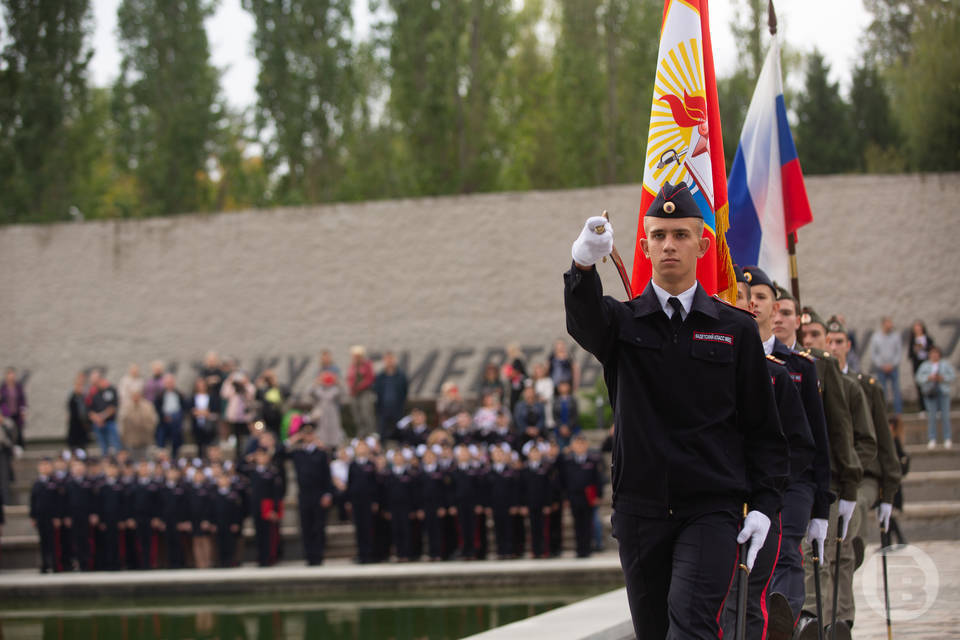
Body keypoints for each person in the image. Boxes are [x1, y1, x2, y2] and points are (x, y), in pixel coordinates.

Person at [564, 182, 788, 638]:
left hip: (710, 509)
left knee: (690, 627)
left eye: (681, 235)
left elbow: (763, 427)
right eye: (660, 234)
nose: (670, 244)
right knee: (654, 631)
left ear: (703, 244)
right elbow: (583, 319)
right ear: (645, 244)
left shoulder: (734, 330)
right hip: (641, 511)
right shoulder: (622, 324)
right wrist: (583, 264)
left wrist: (764, 504)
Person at [722, 266, 817, 639]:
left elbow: (803, 445)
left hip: (765, 502)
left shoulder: (777, 375)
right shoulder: (705, 369)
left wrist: (771, 488)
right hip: (716, 500)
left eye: (743, 301)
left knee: (752, 601)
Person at [802, 309, 879, 636]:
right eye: (809, 338)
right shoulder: (792, 373)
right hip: (805, 480)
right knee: (813, 555)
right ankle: (814, 620)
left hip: (841, 480)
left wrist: (849, 471)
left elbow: (867, 442)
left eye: (820, 338)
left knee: (836, 553)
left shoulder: (852, 386)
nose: (816, 344)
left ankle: (835, 620)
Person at [826, 316, 903, 628]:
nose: (833, 347)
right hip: (830, 476)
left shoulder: (865, 386)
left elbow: (883, 440)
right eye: (828, 342)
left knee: (852, 508)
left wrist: (890, 490)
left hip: (865, 476)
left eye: (838, 342)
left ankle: (852, 547)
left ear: (849, 346)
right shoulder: (816, 377)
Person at [289, 424, 334, 565]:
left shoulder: (321, 453)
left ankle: (318, 556)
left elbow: (328, 475)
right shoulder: (297, 453)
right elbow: (278, 452)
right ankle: (309, 557)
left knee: (319, 527)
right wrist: (294, 439)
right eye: (305, 434)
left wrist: (328, 494)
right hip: (304, 494)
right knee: (306, 526)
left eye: (310, 434)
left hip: (319, 494)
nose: (308, 436)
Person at [560, 434, 602, 559]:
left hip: (588, 496)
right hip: (574, 496)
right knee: (577, 524)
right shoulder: (567, 461)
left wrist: (598, 495)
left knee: (588, 523)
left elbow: (597, 479)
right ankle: (580, 549)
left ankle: (587, 549)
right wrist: (565, 498)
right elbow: (564, 481)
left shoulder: (592, 460)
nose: (579, 446)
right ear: (572, 446)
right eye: (577, 444)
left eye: (582, 443)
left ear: (586, 445)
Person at [916, 345, 954, 448]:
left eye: (936, 353)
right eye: (932, 353)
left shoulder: (945, 364)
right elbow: (918, 378)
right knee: (931, 416)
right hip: (930, 393)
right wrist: (928, 378)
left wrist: (943, 378)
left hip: (943, 392)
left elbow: (953, 376)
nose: (934, 355)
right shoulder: (925, 365)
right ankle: (932, 438)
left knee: (945, 416)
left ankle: (947, 438)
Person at [868, 317, 903, 415]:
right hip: (881, 369)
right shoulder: (876, 337)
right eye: (888, 323)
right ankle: (884, 412)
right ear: (883, 324)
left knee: (896, 390)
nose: (890, 325)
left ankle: (898, 412)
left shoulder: (896, 336)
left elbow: (898, 352)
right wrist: (881, 365)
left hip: (893, 368)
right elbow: (873, 354)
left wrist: (893, 364)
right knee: (882, 391)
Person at [373, 352, 409, 442]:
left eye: (391, 359)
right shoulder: (380, 376)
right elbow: (376, 390)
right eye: (387, 359)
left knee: (400, 429)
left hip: (397, 407)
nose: (389, 361)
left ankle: (400, 447)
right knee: (382, 430)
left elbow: (404, 390)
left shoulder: (401, 375)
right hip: (383, 408)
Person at [308, 371, 345, 448]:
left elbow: (343, 393)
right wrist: (316, 382)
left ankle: (334, 446)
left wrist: (338, 382)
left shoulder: (335, 389)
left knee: (334, 431)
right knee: (321, 432)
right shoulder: (318, 389)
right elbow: (309, 392)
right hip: (321, 414)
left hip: (332, 413)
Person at [88, 371, 121, 456]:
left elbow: (113, 407)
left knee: (115, 445)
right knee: (103, 447)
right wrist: (96, 418)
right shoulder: (92, 392)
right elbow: (89, 409)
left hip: (110, 422)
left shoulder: (111, 390)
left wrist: (101, 417)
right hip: (98, 424)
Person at [120, 388, 158, 460]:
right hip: (131, 439)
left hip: (145, 438)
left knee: (146, 459)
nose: (135, 397)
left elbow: (153, 420)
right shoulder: (127, 406)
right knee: (133, 459)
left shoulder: (147, 406)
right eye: (134, 395)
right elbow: (123, 421)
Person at [154, 373, 187, 456]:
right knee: (161, 434)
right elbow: (157, 408)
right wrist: (164, 417)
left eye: (171, 382)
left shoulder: (179, 394)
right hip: (164, 420)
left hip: (176, 420)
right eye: (168, 382)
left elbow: (183, 407)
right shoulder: (160, 395)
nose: (169, 384)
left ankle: (175, 454)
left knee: (176, 432)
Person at [347, 346, 377, 437]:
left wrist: (359, 386)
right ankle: (361, 433)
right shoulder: (352, 366)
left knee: (366, 413)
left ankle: (370, 433)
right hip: (354, 394)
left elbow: (370, 378)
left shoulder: (367, 365)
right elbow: (349, 379)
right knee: (357, 414)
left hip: (365, 392)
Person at [907, 321, 934, 405]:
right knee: (919, 385)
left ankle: (933, 406)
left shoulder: (928, 339)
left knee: (930, 384)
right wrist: (915, 350)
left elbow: (933, 351)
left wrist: (924, 348)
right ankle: (922, 407)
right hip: (917, 364)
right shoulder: (912, 340)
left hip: (927, 364)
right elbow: (910, 355)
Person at [189, 378, 217, 458]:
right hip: (197, 424)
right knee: (199, 445)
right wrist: (200, 412)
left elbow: (213, 411)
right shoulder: (193, 397)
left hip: (209, 425)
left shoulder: (211, 397)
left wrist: (205, 413)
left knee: (209, 444)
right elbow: (192, 410)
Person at [1, 367, 27, 449]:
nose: (11, 376)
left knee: (19, 430)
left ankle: (19, 448)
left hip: (17, 413)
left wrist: (23, 410)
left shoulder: (18, 387)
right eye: (9, 374)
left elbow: (22, 400)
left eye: (12, 374)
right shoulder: (3, 388)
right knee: (9, 431)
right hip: (7, 414)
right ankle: (9, 449)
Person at [66, 372, 89, 450]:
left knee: (82, 444)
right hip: (74, 423)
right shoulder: (72, 396)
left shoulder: (85, 396)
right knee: (73, 444)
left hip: (83, 423)